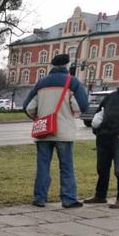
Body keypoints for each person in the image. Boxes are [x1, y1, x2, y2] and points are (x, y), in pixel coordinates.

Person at [23, 53, 89, 208]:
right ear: (67, 65)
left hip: (44, 131)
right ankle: (68, 199)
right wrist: (71, 113)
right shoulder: (72, 82)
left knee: (42, 166)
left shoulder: (41, 83)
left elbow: (28, 107)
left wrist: (39, 117)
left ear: (52, 65)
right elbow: (81, 106)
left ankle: (39, 198)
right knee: (66, 167)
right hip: (64, 132)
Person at [86, 67, 119, 208]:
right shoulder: (110, 97)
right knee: (102, 169)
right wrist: (97, 131)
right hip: (104, 138)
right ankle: (100, 195)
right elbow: (98, 114)